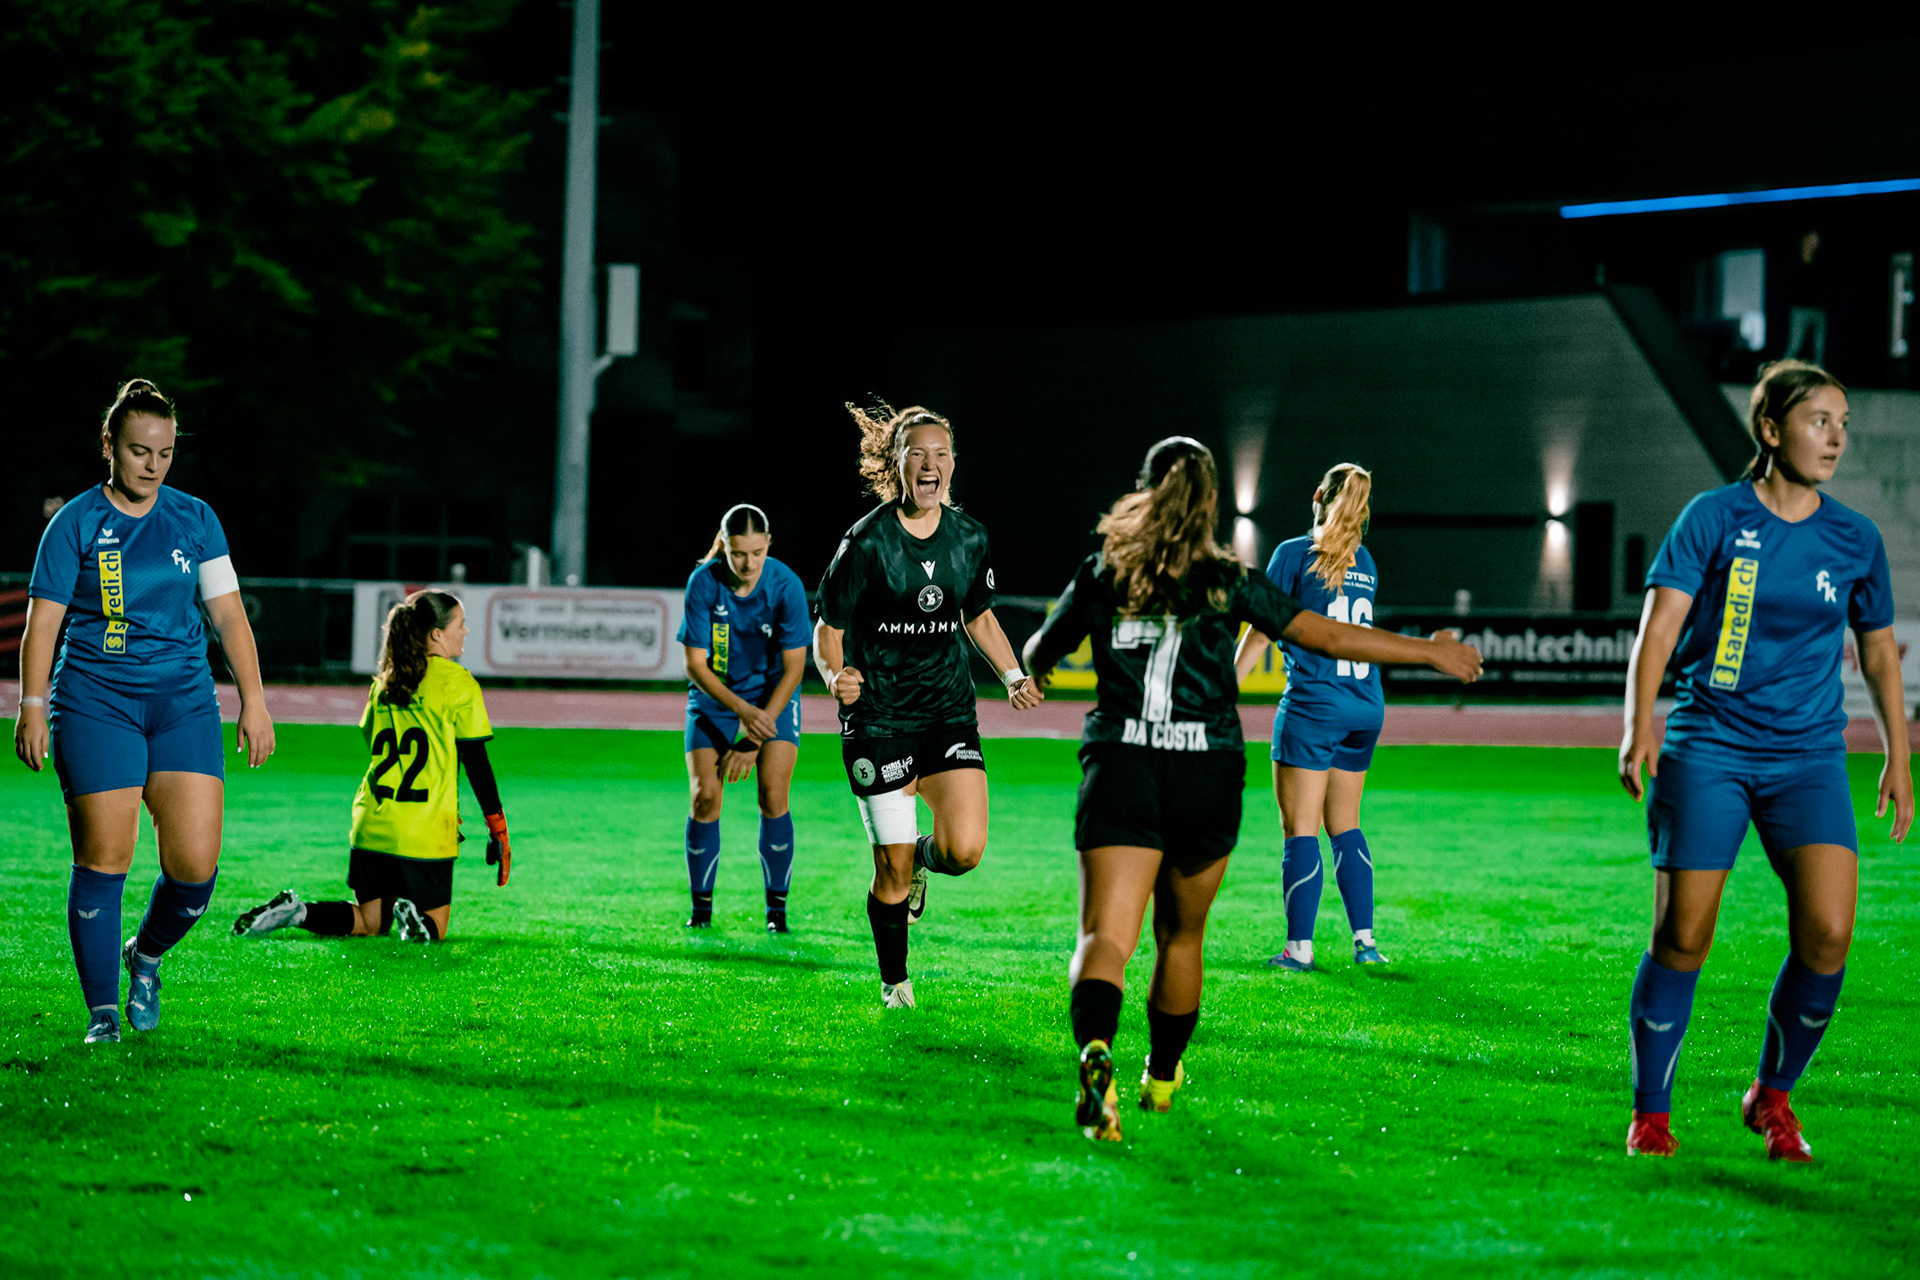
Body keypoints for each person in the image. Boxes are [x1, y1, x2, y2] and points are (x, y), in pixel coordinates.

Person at [1024, 438, 1483, 1142]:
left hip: (1122, 764)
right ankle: (1163, 1080)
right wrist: (1429, 650)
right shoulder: (1228, 577)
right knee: (1182, 938)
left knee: (1103, 937)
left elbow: (1038, 653)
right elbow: (1324, 636)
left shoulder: (1106, 570)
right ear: (1210, 502)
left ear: (1144, 493)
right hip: (1206, 769)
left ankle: (1095, 1053)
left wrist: (1043, 668)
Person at [1618, 360, 1911, 1162]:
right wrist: (1639, 724)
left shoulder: (1856, 538)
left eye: (1844, 424)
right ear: (1771, 430)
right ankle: (1651, 1113)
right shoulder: (1713, 518)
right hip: (1708, 745)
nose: (1837, 438)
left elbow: (1880, 656)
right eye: (1821, 421)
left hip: (1809, 758)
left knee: (1829, 931)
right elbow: (1660, 629)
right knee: (1684, 933)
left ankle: (1772, 1099)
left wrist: (1898, 755)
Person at [13, 379, 275, 1044]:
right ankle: (103, 1013)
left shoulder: (195, 517)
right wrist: (33, 707)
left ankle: (146, 956)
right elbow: (42, 625)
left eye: (164, 452)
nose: (152, 465)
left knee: (194, 868)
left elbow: (227, 616)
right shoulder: (74, 522)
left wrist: (255, 700)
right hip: (96, 701)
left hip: (183, 703)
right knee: (105, 856)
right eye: (138, 451)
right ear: (109, 446)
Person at [813, 402, 1043, 1009]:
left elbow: (979, 615)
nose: (930, 464)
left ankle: (922, 856)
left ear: (952, 465)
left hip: (945, 711)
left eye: (941, 454)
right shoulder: (865, 542)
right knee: (887, 875)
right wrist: (837, 674)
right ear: (897, 463)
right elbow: (827, 629)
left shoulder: (969, 537)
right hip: (878, 720)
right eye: (917, 452)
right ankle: (895, 984)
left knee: (964, 851)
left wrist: (1013, 674)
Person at [232, 591, 510, 945]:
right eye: (460, 624)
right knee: (435, 928)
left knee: (368, 921)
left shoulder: (385, 683)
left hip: (372, 822)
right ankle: (415, 922)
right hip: (423, 830)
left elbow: (376, 743)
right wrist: (497, 827)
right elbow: (476, 763)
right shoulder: (457, 682)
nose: (466, 632)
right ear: (437, 634)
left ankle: (297, 911)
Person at [1234, 462, 1397, 969]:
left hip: (1313, 705)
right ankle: (1366, 943)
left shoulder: (1293, 554)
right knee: (1346, 824)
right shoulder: (1363, 558)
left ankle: (1299, 949)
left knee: (1300, 829)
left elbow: (1262, 627)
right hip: (1365, 706)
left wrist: (1223, 688)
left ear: (1317, 494)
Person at [675, 503, 811, 932]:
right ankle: (701, 911)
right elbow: (696, 665)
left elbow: (794, 669)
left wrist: (753, 737)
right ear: (725, 546)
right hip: (717, 699)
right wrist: (742, 714)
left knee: (773, 794)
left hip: (773, 699)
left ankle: (776, 912)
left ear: (768, 544)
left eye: (756, 552)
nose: (748, 563)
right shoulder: (703, 583)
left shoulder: (785, 585)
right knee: (705, 799)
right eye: (738, 554)